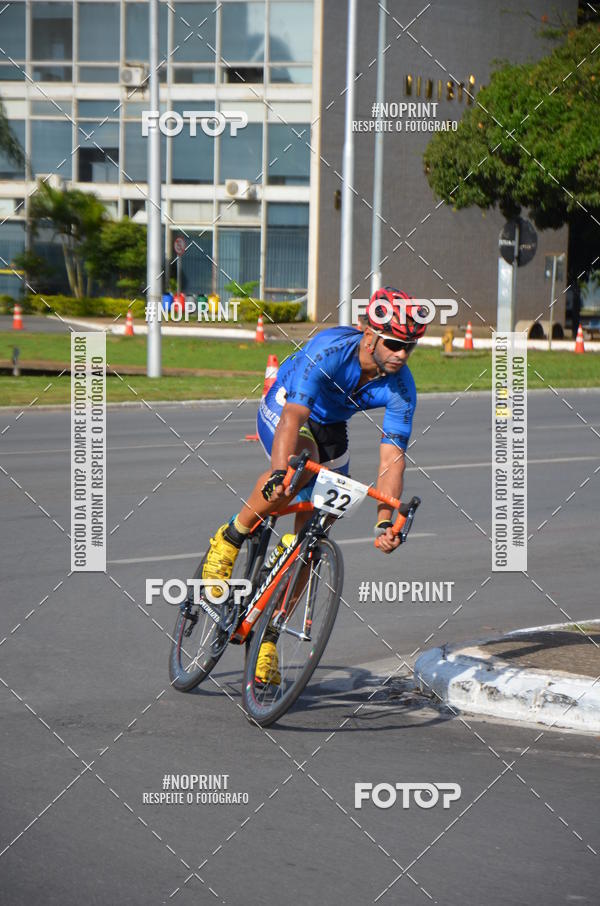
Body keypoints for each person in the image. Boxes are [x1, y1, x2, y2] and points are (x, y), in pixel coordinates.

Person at [202, 287, 427, 683]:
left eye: (409, 347)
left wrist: (384, 519)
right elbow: (292, 420)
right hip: (288, 405)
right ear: (370, 335)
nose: (402, 354)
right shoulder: (328, 351)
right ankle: (231, 537)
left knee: (314, 535)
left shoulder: (402, 387)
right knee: (296, 473)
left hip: (331, 426)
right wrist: (279, 474)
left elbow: (392, 456)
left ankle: (268, 638)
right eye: (394, 344)